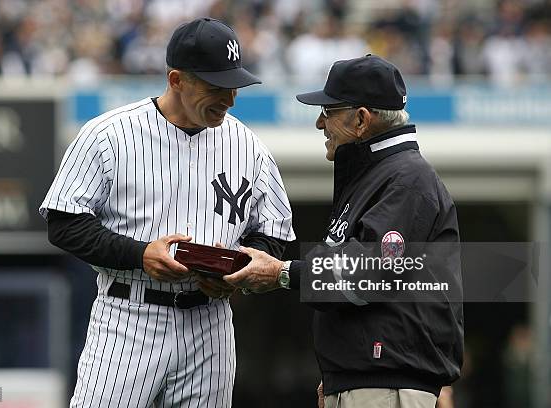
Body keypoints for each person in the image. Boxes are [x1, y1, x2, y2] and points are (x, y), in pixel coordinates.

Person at [39, 17, 295, 408]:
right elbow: (64, 223)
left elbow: (274, 234)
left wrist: (238, 271)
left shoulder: (249, 145)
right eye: (216, 87)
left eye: (233, 87)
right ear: (177, 80)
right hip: (129, 316)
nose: (229, 100)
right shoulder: (108, 133)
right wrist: (139, 255)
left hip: (210, 322)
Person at [224, 54, 464, 407]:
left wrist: (283, 273)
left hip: (386, 386)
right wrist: (344, 376)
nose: (320, 123)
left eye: (329, 111)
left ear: (361, 119)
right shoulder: (380, 176)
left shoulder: (407, 179)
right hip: (367, 381)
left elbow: (367, 272)